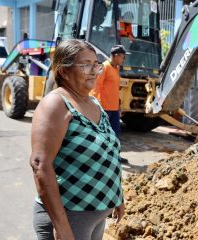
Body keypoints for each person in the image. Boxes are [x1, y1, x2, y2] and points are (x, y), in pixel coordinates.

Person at [30, 39, 124, 240]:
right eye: (85, 65)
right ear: (64, 71)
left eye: (96, 64)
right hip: (69, 219)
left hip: (95, 213)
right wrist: (62, 227)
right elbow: (40, 165)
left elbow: (109, 153)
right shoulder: (55, 104)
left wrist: (117, 195)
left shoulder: (94, 103)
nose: (94, 70)